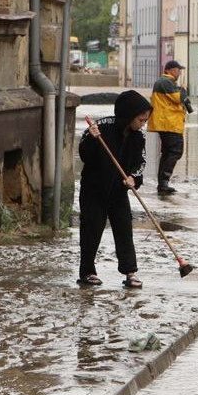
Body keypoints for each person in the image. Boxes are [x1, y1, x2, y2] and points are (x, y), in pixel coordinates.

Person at [77, 90, 153, 288]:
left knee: (124, 228)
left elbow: (140, 162)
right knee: (91, 229)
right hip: (94, 189)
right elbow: (84, 155)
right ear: (128, 116)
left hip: (118, 191)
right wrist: (91, 139)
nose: (143, 124)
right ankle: (87, 272)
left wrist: (133, 178)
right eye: (141, 119)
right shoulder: (100, 128)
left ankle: (130, 272)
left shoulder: (138, 137)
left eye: (145, 120)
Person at [147, 60, 192, 194]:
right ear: (170, 70)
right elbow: (178, 98)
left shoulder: (165, 82)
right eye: (178, 70)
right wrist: (183, 89)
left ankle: (163, 182)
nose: (179, 73)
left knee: (167, 152)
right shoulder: (166, 82)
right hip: (169, 123)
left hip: (167, 123)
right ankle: (163, 183)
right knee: (175, 151)